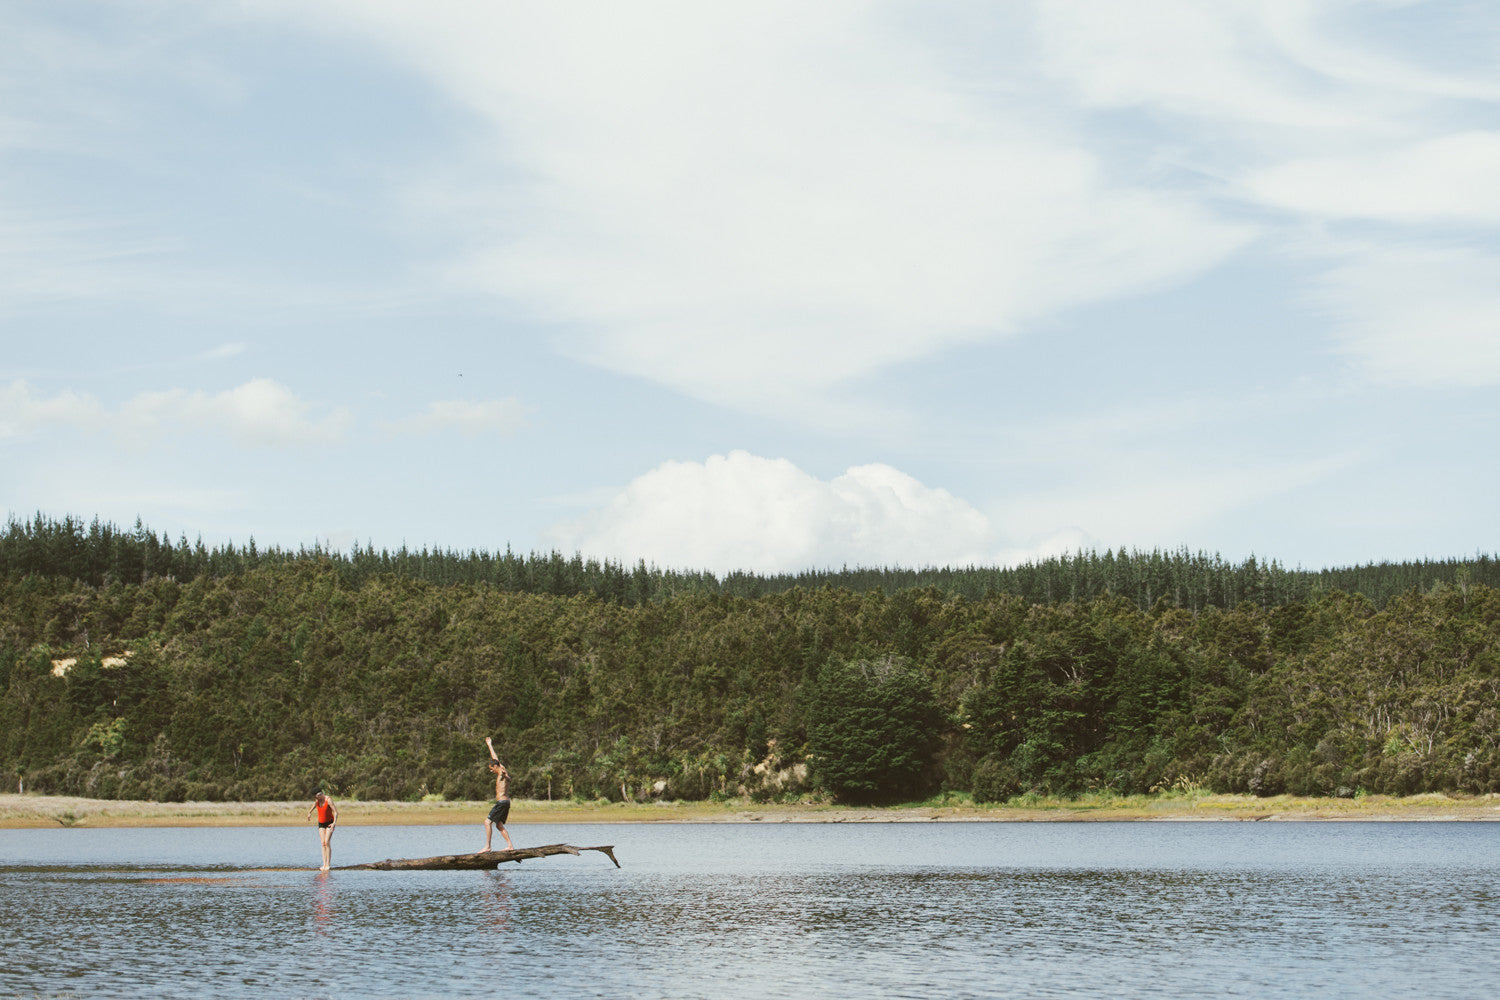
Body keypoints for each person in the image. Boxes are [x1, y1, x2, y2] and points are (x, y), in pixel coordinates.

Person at [483, 737, 516, 853]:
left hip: (502, 802)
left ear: (496, 767)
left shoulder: (501, 772)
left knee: (487, 822)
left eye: (491, 769)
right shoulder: (499, 768)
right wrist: (489, 745)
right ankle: (510, 846)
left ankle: (487, 846)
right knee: (499, 825)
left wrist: (506, 776)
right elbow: (495, 758)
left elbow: (505, 775)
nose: (491, 771)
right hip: (506, 802)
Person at [305, 790, 337, 870]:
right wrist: (309, 812)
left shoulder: (328, 800)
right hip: (321, 823)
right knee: (323, 843)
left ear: (321, 794)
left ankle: (328, 864)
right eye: (316, 798)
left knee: (327, 842)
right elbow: (314, 805)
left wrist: (334, 823)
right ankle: (324, 864)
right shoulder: (317, 801)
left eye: (318, 797)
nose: (317, 799)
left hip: (330, 823)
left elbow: (336, 812)